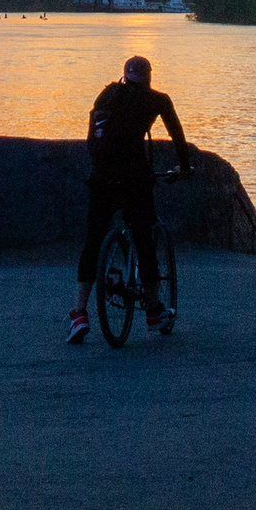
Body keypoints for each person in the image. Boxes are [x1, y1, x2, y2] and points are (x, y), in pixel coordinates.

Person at [67, 55, 195, 344]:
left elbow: (93, 138)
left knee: (93, 240)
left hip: (101, 178)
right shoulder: (158, 100)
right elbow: (177, 136)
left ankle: (78, 313)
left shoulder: (106, 94)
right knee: (144, 239)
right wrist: (184, 168)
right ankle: (152, 310)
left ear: (124, 75)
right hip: (135, 179)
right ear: (148, 77)